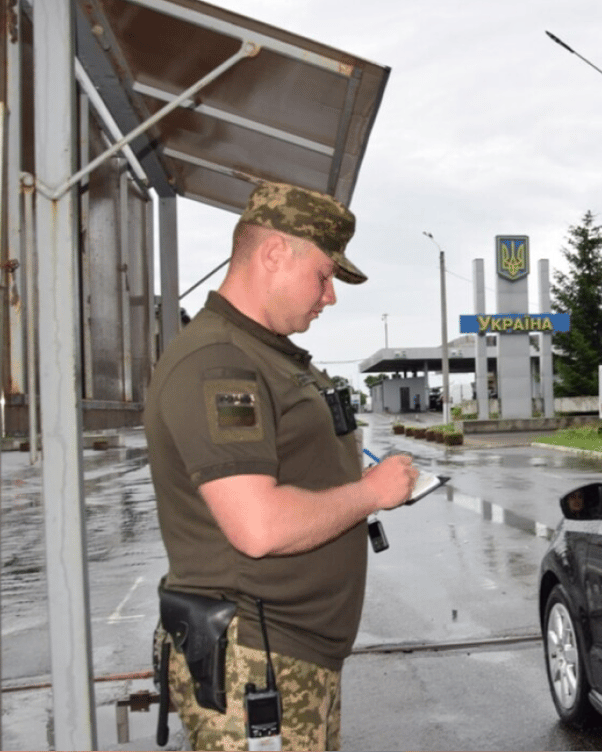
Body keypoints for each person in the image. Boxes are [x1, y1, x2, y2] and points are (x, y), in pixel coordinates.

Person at [145, 180, 418, 750]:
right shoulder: (220, 363)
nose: (330, 296)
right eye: (323, 275)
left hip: (287, 653)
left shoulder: (263, 354)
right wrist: (371, 493)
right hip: (258, 660)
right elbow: (259, 526)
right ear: (273, 254)